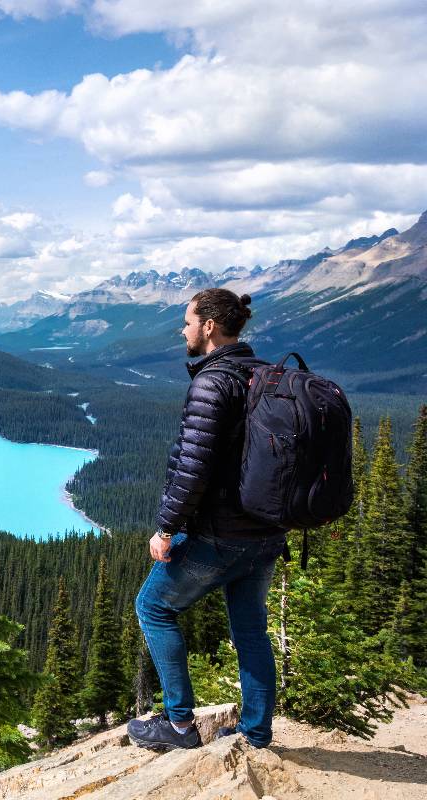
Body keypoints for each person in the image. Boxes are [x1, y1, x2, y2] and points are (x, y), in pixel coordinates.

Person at [127, 288, 288, 752]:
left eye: (187, 321)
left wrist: (165, 529)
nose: (183, 330)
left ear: (209, 326)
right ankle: (256, 732)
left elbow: (192, 466)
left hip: (221, 534)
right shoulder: (264, 374)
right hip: (265, 532)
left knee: (154, 607)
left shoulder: (212, 382)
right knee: (251, 630)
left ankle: (179, 726)